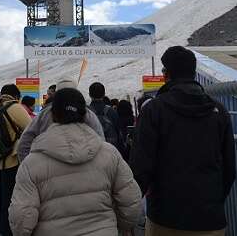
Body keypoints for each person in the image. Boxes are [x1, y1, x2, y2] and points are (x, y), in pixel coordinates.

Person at [131, 46, 236, 236]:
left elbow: (141, 167)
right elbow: (229, 170)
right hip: (210, 219)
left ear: (166, 74)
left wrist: (129, 213)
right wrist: (213, 202)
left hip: (165, 218)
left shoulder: (154, 110)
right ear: (193, 73)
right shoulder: (219, 111)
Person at [9, 88, 143, 236]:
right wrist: (116, 226)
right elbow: (131, 203)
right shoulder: (110, 154)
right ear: (85, 115)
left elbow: (21, 220)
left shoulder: (31, 164)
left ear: (52, 115)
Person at [17, 78, 104, 162]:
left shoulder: (45, 114)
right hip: (84, 164)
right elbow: (100, 141)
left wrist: (30, 164)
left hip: (49, 166)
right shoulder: (86, 113)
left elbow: (24, 143)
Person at [0, 84, 32, 236]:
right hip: (10, 164)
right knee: (8, 202)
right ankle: (6, 232)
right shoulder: (15, 108)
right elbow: (31, 130)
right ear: (16, 96)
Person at [89, 82, 121, 150]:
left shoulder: (86, 113)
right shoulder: (111, 111)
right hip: (111, 149)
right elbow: (119, 133)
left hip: (92, 150)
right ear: (104, 94)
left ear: (90, 95)